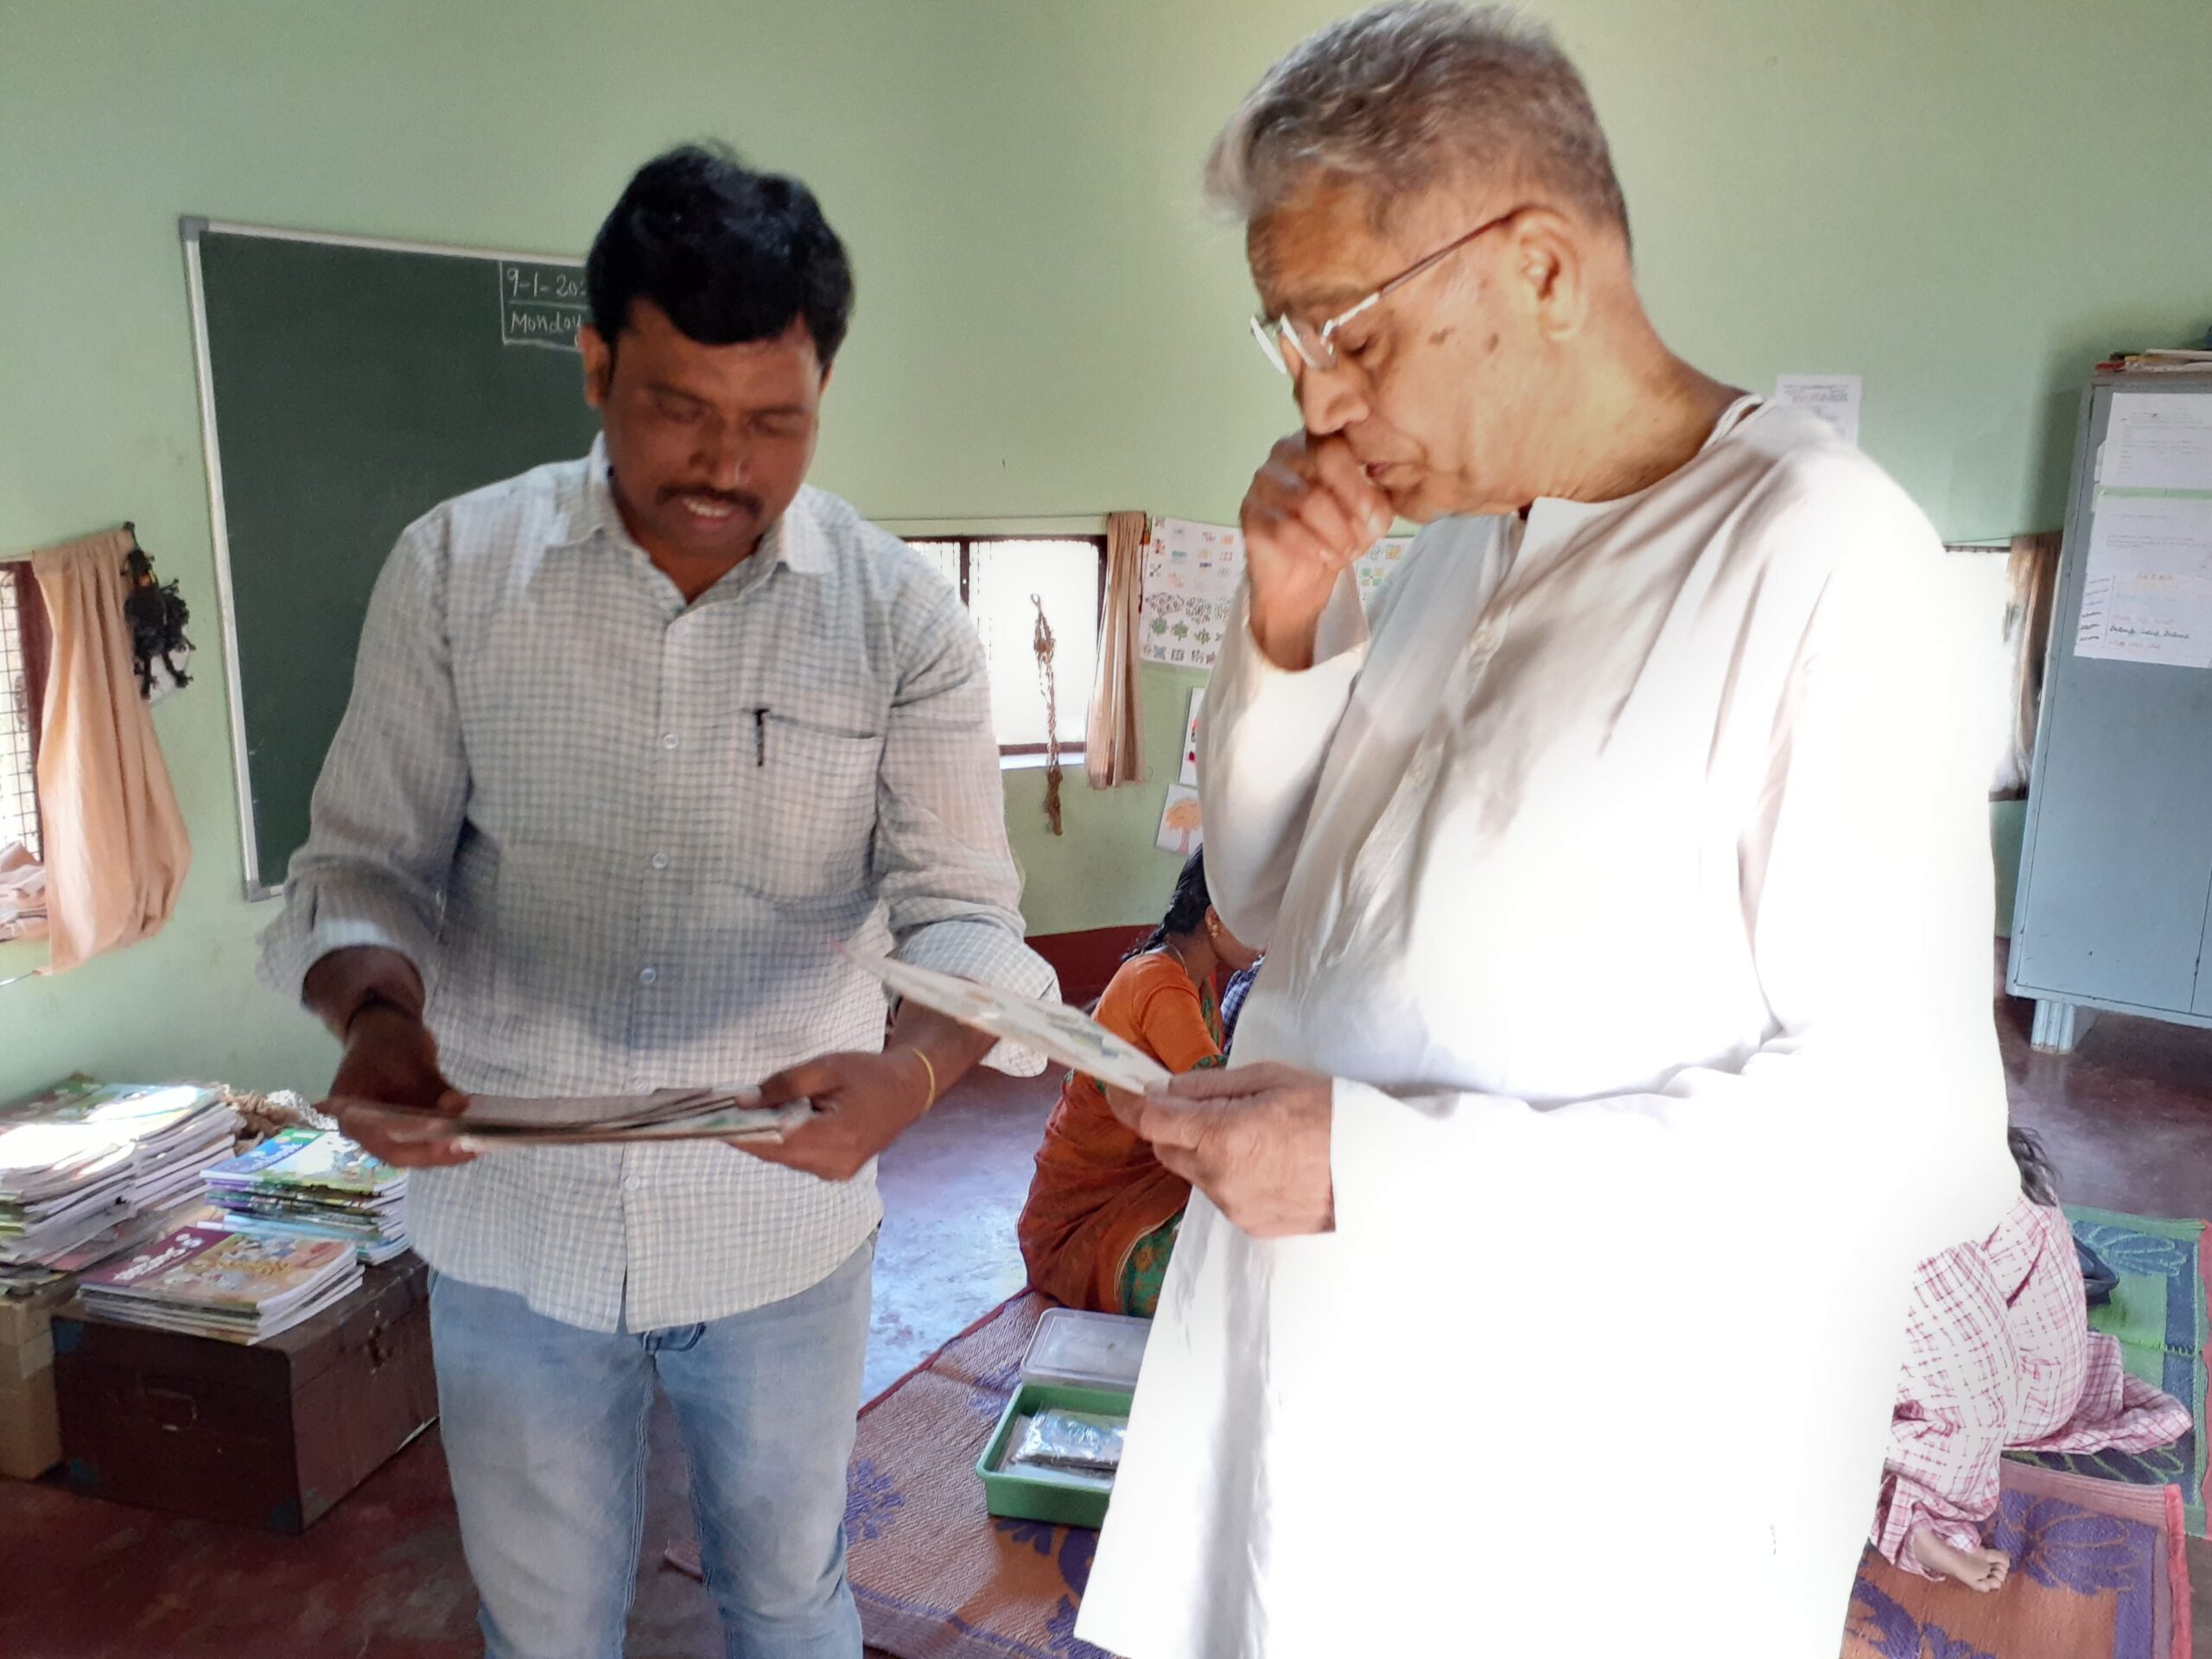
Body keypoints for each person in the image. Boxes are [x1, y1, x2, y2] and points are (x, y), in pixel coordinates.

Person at [1076, 7, 2022, 1656]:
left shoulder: (1823, 560)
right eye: (1286, 340)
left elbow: (1909, 1139)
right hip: (1318, 1407)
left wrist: (1375, 1169)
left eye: (1350, 331)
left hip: (1566, 1502)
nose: (1317, 400)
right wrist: (1289, 615)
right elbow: (1274, 905)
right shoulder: (1460, 539)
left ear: (1539, 270)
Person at [257, 145, 1053, 1659]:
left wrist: (915, 1074)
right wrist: (374, 1016)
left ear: (823, 392)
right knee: (543, 1629)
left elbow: (967, 919)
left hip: (777, 1233)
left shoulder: (900, 619)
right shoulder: (455, 574)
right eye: (679, 406)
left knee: (789, 1603)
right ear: (596, 367)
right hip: (515, 1230)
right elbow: (362, 866)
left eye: (775, 421)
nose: (724, 467)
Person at [1877, 1128, 2191, 1591]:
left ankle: (1915, 1525)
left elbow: (1975, 1398)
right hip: (2047, 1371)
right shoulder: (1966, 1141)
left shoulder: (1918, 1239)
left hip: (2019, 1396)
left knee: (1828, 1442)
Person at [1017, 851, 1260, 1316]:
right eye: (1257, 921)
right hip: (1079, 1224)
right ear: (1214, 920)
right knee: (1216, 1275)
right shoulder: (1158, 981)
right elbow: (1217, 1097)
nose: (1265, 941)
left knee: (1254, 1235)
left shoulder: (1193, 975)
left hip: (1144, 1182)